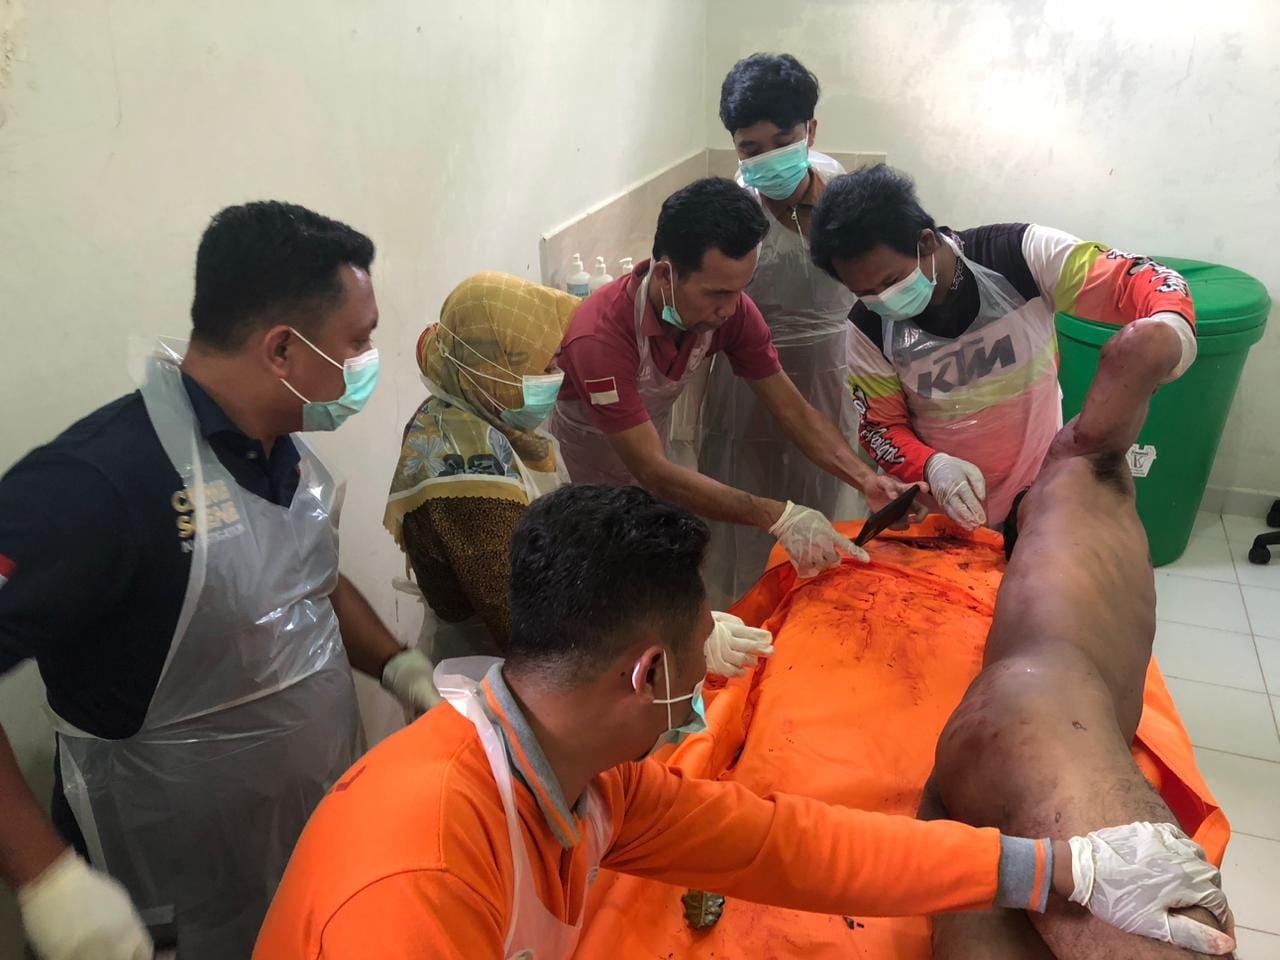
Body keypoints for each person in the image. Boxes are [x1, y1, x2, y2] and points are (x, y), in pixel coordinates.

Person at [254, 483, 1230, 959]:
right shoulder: (419, 875)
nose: (707, 682)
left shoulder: (587, 779)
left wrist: (1062, 868)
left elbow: (786, 847)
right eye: (701, 651)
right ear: (648, 672)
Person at [0, 202, 437, 960]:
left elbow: (304, 573)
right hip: (160, 895)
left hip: (296, 851)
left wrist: (399, 665)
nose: (369, 359)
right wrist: (46, 880)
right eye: (359, 340)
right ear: (282, 349)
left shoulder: (282, 450)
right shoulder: (95, 484)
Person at [925, 316, 1235, 958]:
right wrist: (1171, 316)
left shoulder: (1073, 495)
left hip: (1022, 730)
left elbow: (1137, 352)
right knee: (1180, 919)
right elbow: (1140, 345)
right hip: (1039, 719)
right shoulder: (1079, 473)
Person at [384, 272, 777, 699]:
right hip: (494, 674)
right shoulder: (463, 476)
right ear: (494, 368)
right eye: (542, 367)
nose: (555, 375)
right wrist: (666, 636)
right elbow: (523, 617)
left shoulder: (488, 417)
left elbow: (559, 557)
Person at [548, 176, 920, 588]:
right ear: (666, 275)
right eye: (717, 293)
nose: (729, 308)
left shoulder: (732, 311)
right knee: (593, 578)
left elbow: (794, 411)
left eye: (741, 290)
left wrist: (865, 479)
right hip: (579, 476)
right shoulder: (600, 339)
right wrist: (779, 516)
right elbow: (652, 469)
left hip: (646, 466)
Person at [809, 163, 1197, 531]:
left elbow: (1139, 277)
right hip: (939, 506)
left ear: (925, 242)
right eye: (865, 292)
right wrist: (932, 466)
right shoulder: (867, 328)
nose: (883, 299)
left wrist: (1172, 325)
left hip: (1036, 487)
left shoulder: (1019, 257)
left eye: (891, 280)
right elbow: (880, 426)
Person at [698, 53, 863, 605]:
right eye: (750, 148)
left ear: (810, 131)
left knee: (830, 507)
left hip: (833, 372)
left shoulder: (844, 197)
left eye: (782, 140)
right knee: (747, 516)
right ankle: (744, 625)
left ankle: (817, 628)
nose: (766, 159)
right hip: (746, 381)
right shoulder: (733, 213)